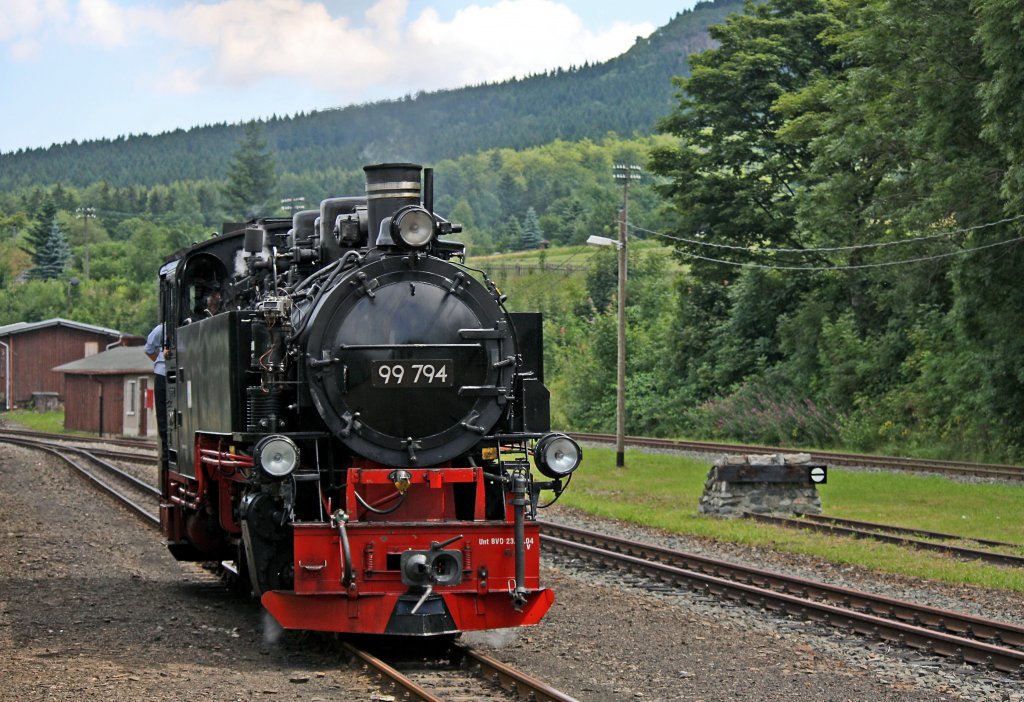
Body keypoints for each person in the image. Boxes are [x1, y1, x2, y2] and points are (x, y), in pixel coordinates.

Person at [144, 323, 168, 467]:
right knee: (163, 416)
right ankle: (166, 450)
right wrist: (160, 359)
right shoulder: (161, 329)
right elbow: (148, 349)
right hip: (163, 373)